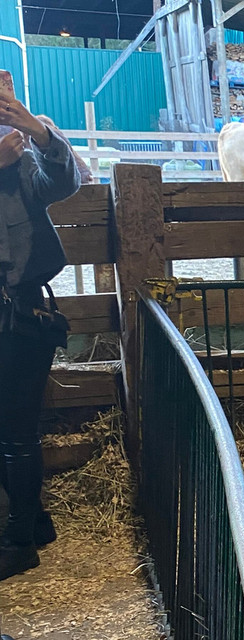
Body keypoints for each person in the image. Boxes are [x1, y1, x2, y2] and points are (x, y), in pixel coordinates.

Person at [0, 94, 81, 582]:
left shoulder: (21, 147)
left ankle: (20, 540)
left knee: (16, 429)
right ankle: (33, 522)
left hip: (21, 309)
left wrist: (39, 131)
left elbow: (63, 181)